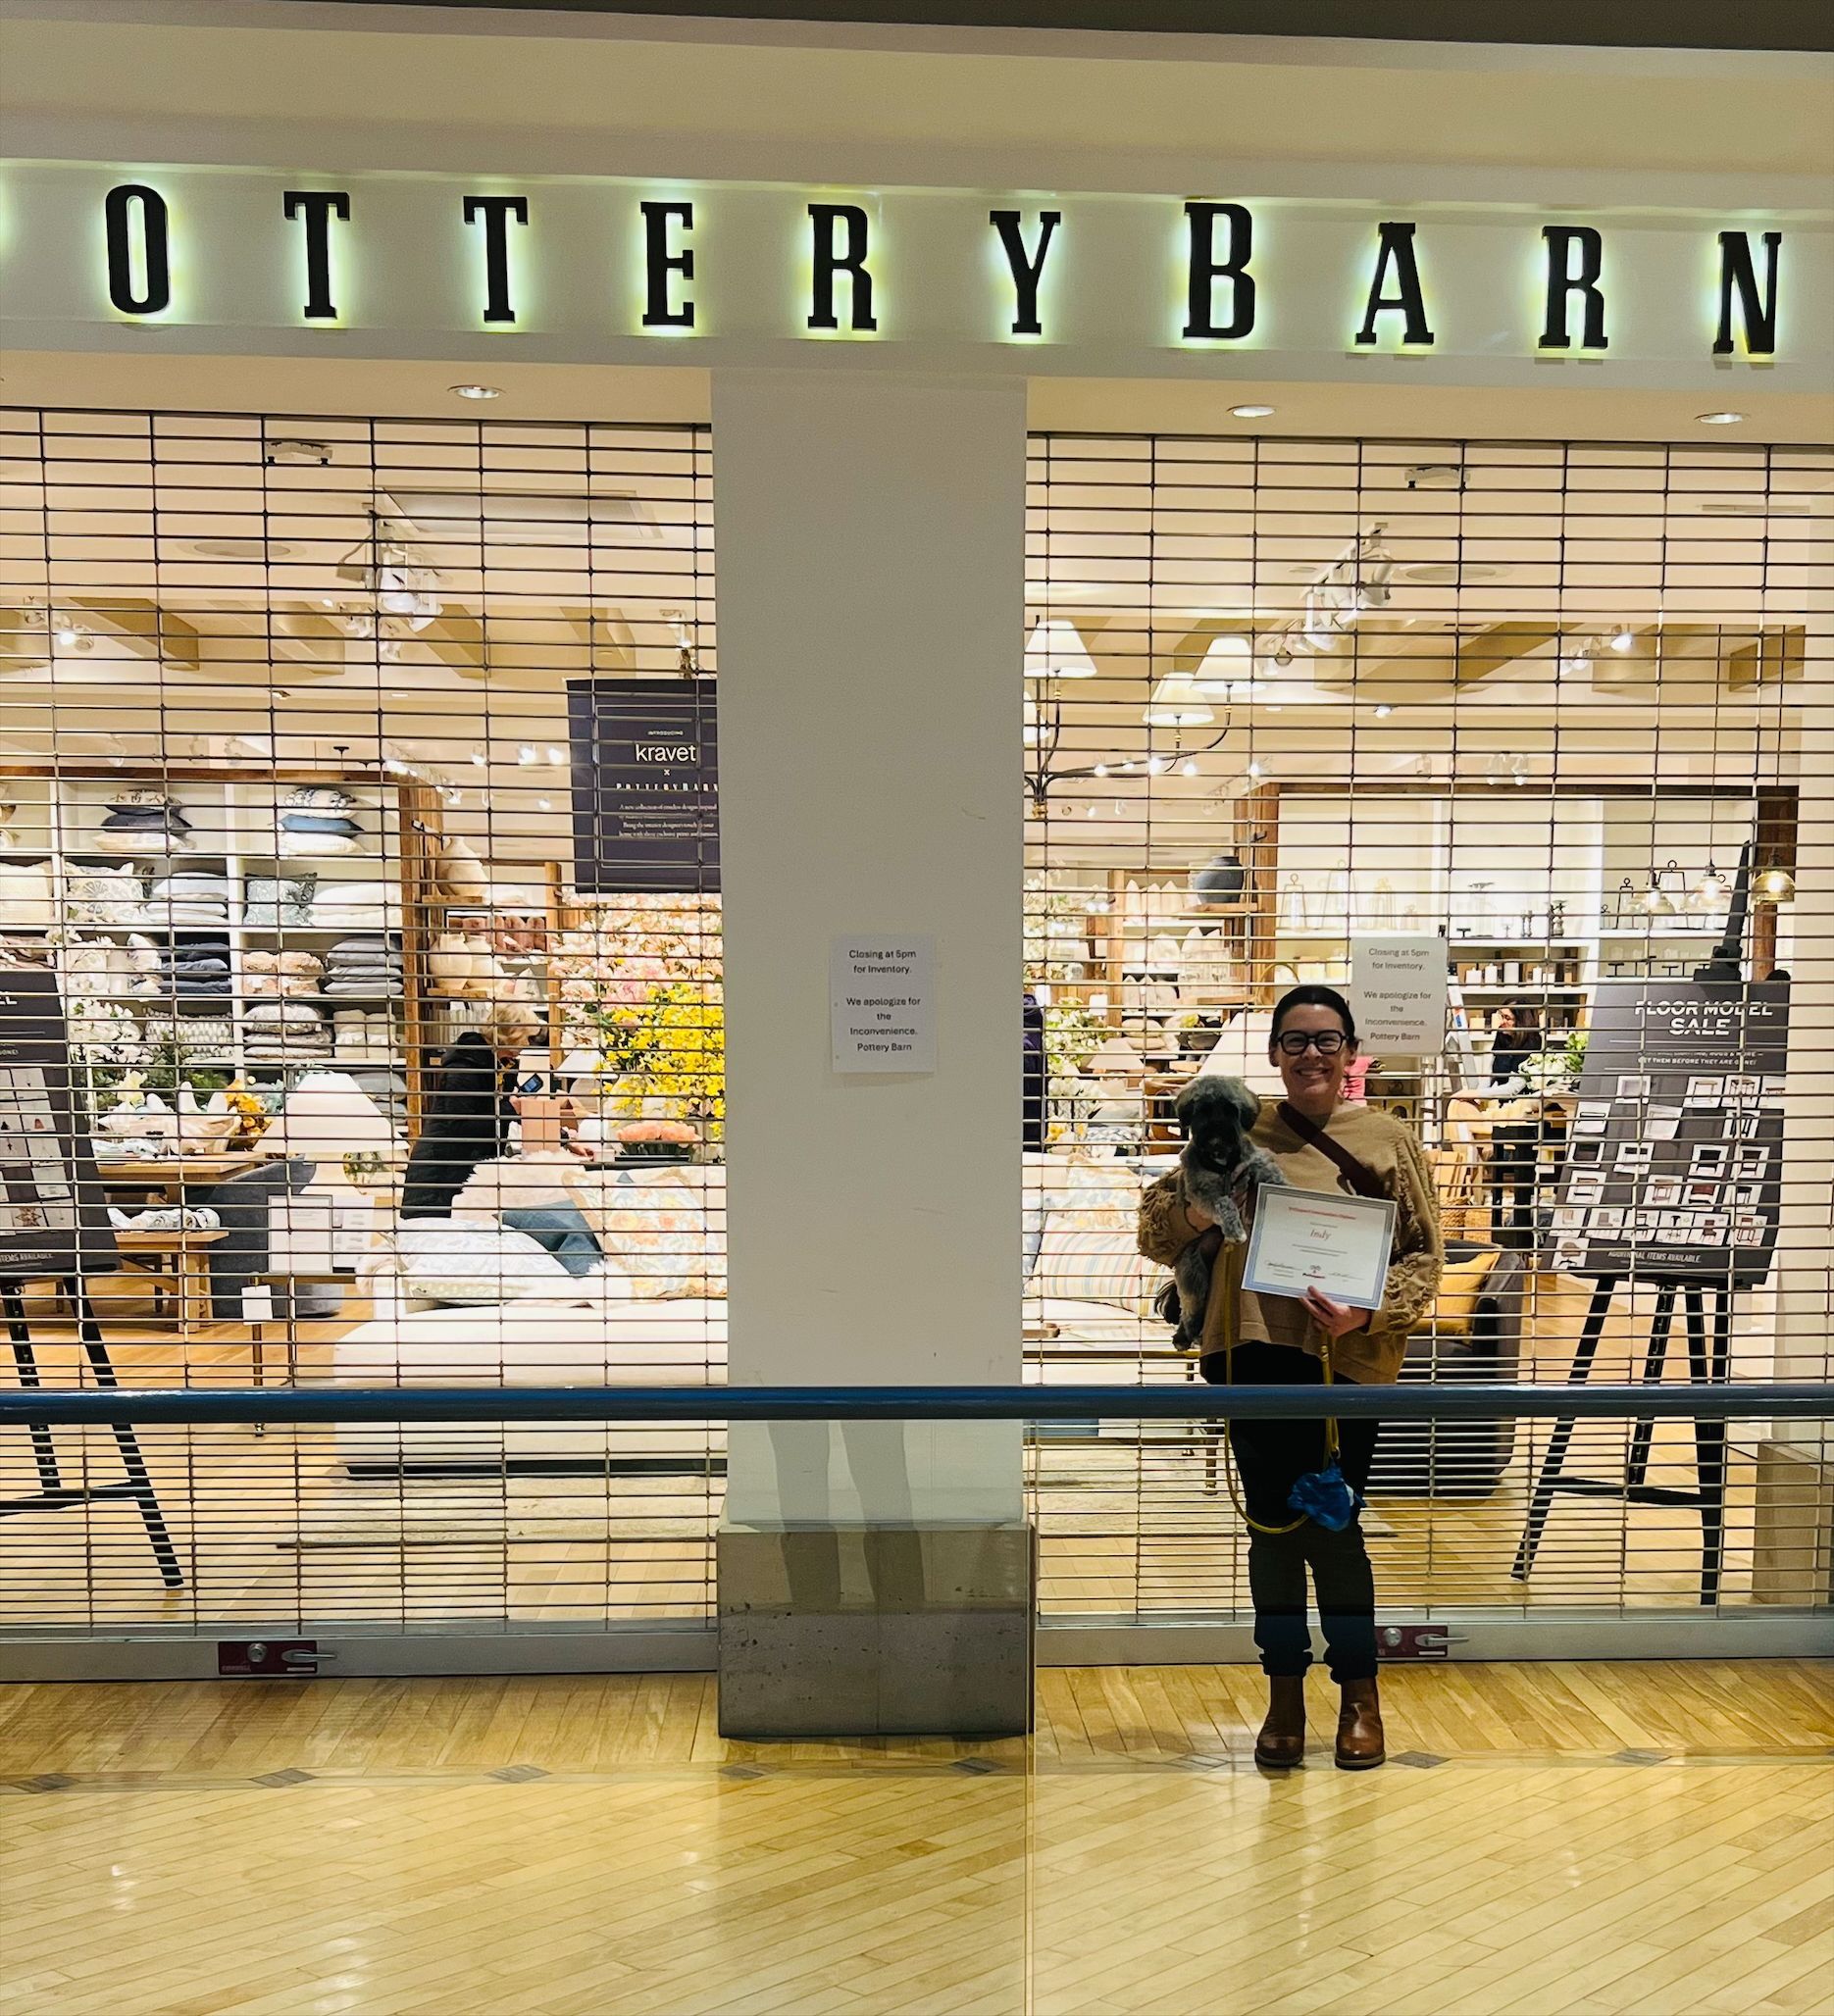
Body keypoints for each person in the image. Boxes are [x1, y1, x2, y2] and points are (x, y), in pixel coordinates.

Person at [1138, 983, 1443, 1771]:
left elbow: (1423, 1254)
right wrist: (1206, 1212)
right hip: (1251, 1355)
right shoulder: (1235, 1130)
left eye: (1327, 1039)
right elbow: (1154, 1229)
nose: (1312, 1053)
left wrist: (1367, 1316)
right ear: (1273, 1053)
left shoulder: (1386, 1137)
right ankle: (1282, 1693)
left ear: (1350, 1052)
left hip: (1346, 1365)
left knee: (1333, 1529)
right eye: (1296, 1040)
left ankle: (1359, 1694)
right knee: (1271, 1529)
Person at [400, 1000, 547, 1220]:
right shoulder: (465, 1067)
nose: (528, 1044)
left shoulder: (501, 1064)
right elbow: (460, 1124)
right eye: (527, 1037)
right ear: (512, 1034)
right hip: (441, 1171)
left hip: (467, 1166)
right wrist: (510, 1109)